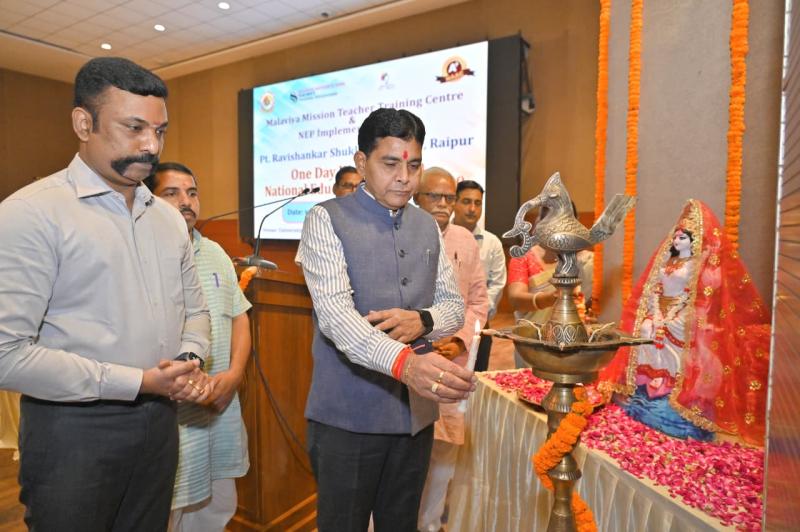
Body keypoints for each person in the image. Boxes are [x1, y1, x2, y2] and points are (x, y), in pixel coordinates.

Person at [0, 57, 212, 531]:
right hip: (73, 432)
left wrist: (188, 359)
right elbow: (6, 355)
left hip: (160, 423)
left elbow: (195, 310)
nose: (151, 145)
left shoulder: (167, 220)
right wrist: (137, 381)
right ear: (84, 123)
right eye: (134, 128)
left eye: (159, 131)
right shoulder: (31, 214)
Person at [296, 108, 474, 532]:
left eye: (413, 166)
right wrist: (405, 364)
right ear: (362, 162)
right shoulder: (326, 218)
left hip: (415, 417)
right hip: (347, 417)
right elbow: (337, 318)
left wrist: (423, 320)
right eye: (390, 164)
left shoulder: (427, 226)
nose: (404, 178)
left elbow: (454, 307)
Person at [599, 199, 770, 445]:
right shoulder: (668, 261)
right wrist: (655, 313)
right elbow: (655, 288)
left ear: (694, 241)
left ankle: (670, 390)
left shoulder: (696, 264)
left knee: (675, 333)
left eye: (683, 238)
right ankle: (647, 383)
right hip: (660, 308)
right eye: (676, 237)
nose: (677, 241)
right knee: (646, 329)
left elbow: (710, 288)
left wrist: (711, 259)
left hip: (682, 313)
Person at [145, 162, 252, 531]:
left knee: (216, 510)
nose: (185, 201)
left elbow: (239, 317)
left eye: (192, 193)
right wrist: (193, 386)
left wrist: (234, 375)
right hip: (173, 417)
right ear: (147, 199)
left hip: (220, 409)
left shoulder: (215, 252)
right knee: (169, 513)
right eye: (171, 193)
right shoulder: (142, 256)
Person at [414, 168, 488, 532]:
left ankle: (429, 525)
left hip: (453, 361)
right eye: (435, 197)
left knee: (444, 454)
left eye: (449, 198)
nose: (444, 204)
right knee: (407, 453)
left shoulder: (465, 240)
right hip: (409, 362)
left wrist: (459, 339)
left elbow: (479, 302)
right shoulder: (401, 233)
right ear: (417, 198)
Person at [507, 204, 593, 367]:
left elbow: (591, 303)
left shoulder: (584, 261)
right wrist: (552, 298)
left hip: (573, 343)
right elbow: (515, 299)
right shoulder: (523, 257)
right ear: (539, 222)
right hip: (532, 343)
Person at [452, 179, 507, 371]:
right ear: (454, 202)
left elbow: (496, 285)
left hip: (480, 326)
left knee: (476, 379)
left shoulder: (492, 243)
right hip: (445, 325)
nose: (472, 209)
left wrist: (477, 316)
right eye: (466, 202)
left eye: (478, 203)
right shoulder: (439, 236)